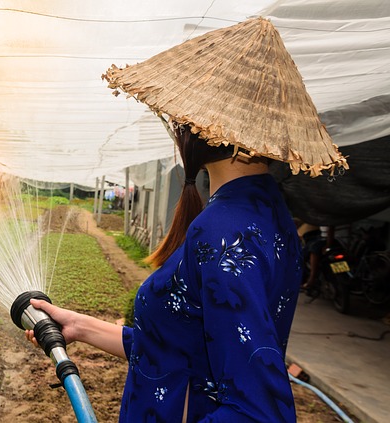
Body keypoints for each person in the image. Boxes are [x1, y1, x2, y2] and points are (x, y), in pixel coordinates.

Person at [25, 17, 346, 422]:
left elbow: (259, 411)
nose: (179, 125)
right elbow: (186, 349)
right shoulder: (267, 213)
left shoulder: (225, 231)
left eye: (188, 115)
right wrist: (82, 327)